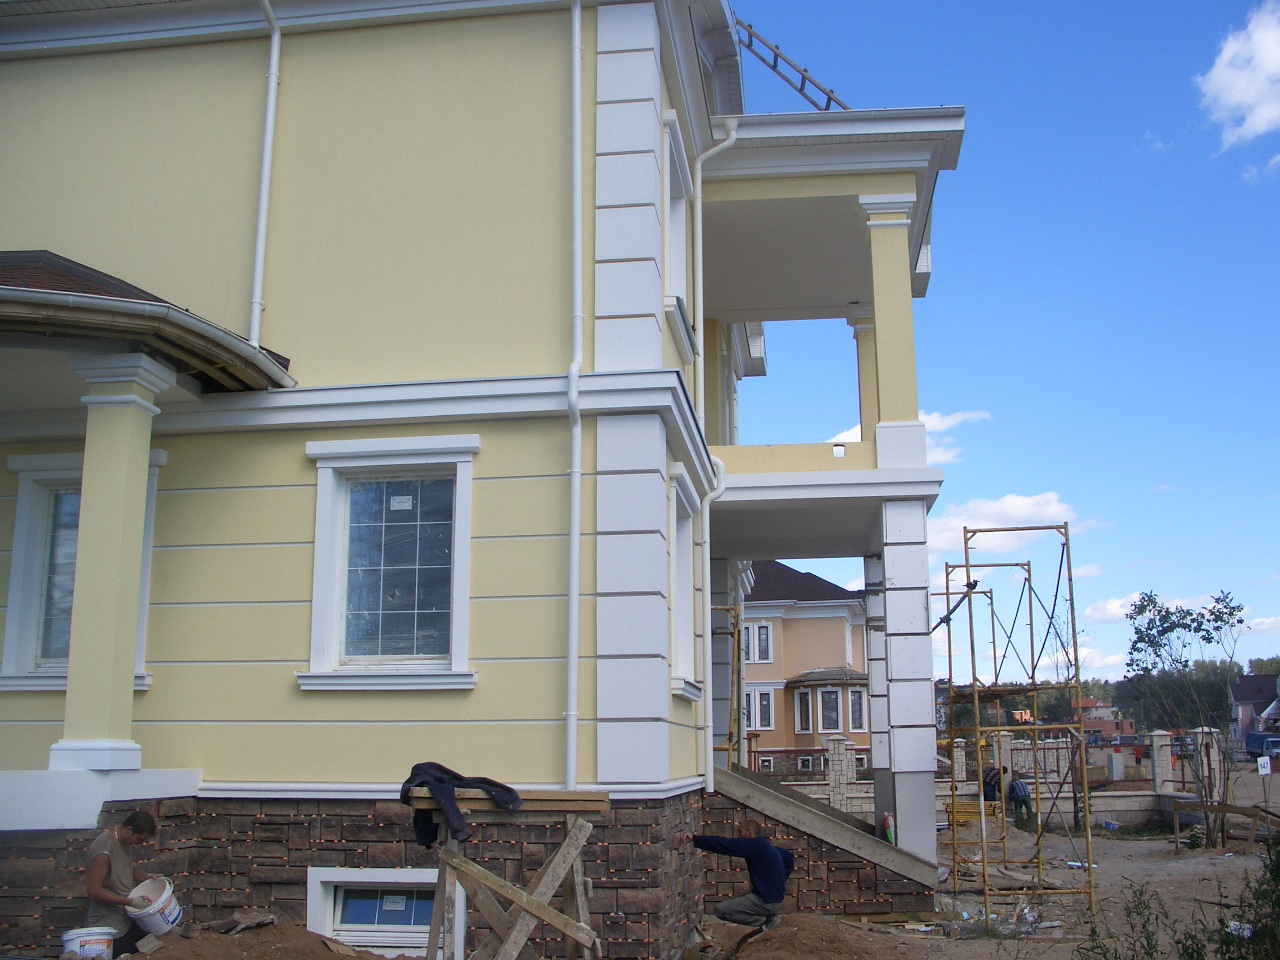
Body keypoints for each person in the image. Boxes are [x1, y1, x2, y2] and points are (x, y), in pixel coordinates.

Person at [680, 820, 794, 931]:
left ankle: (765, 921)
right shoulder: (766, 846)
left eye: (740, 832)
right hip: (774, 899)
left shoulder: (752, 845)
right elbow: (789, 858)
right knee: (739, 900)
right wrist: (778, 882)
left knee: (721, 910)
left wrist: (695, 839)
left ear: (750, 833)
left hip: (765, 902)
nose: (738, 836)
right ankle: (769, 918)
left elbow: (723, 844)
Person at [86, 810, 157, 958]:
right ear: (129, 830)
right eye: (139, 840)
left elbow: (127, 867)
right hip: (109, 926)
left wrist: (148, 877)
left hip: (127, 918)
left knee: (153, 945)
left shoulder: (124, 843)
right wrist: (131, 902)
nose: (140, 844)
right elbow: (94, 891)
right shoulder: (103, 851)